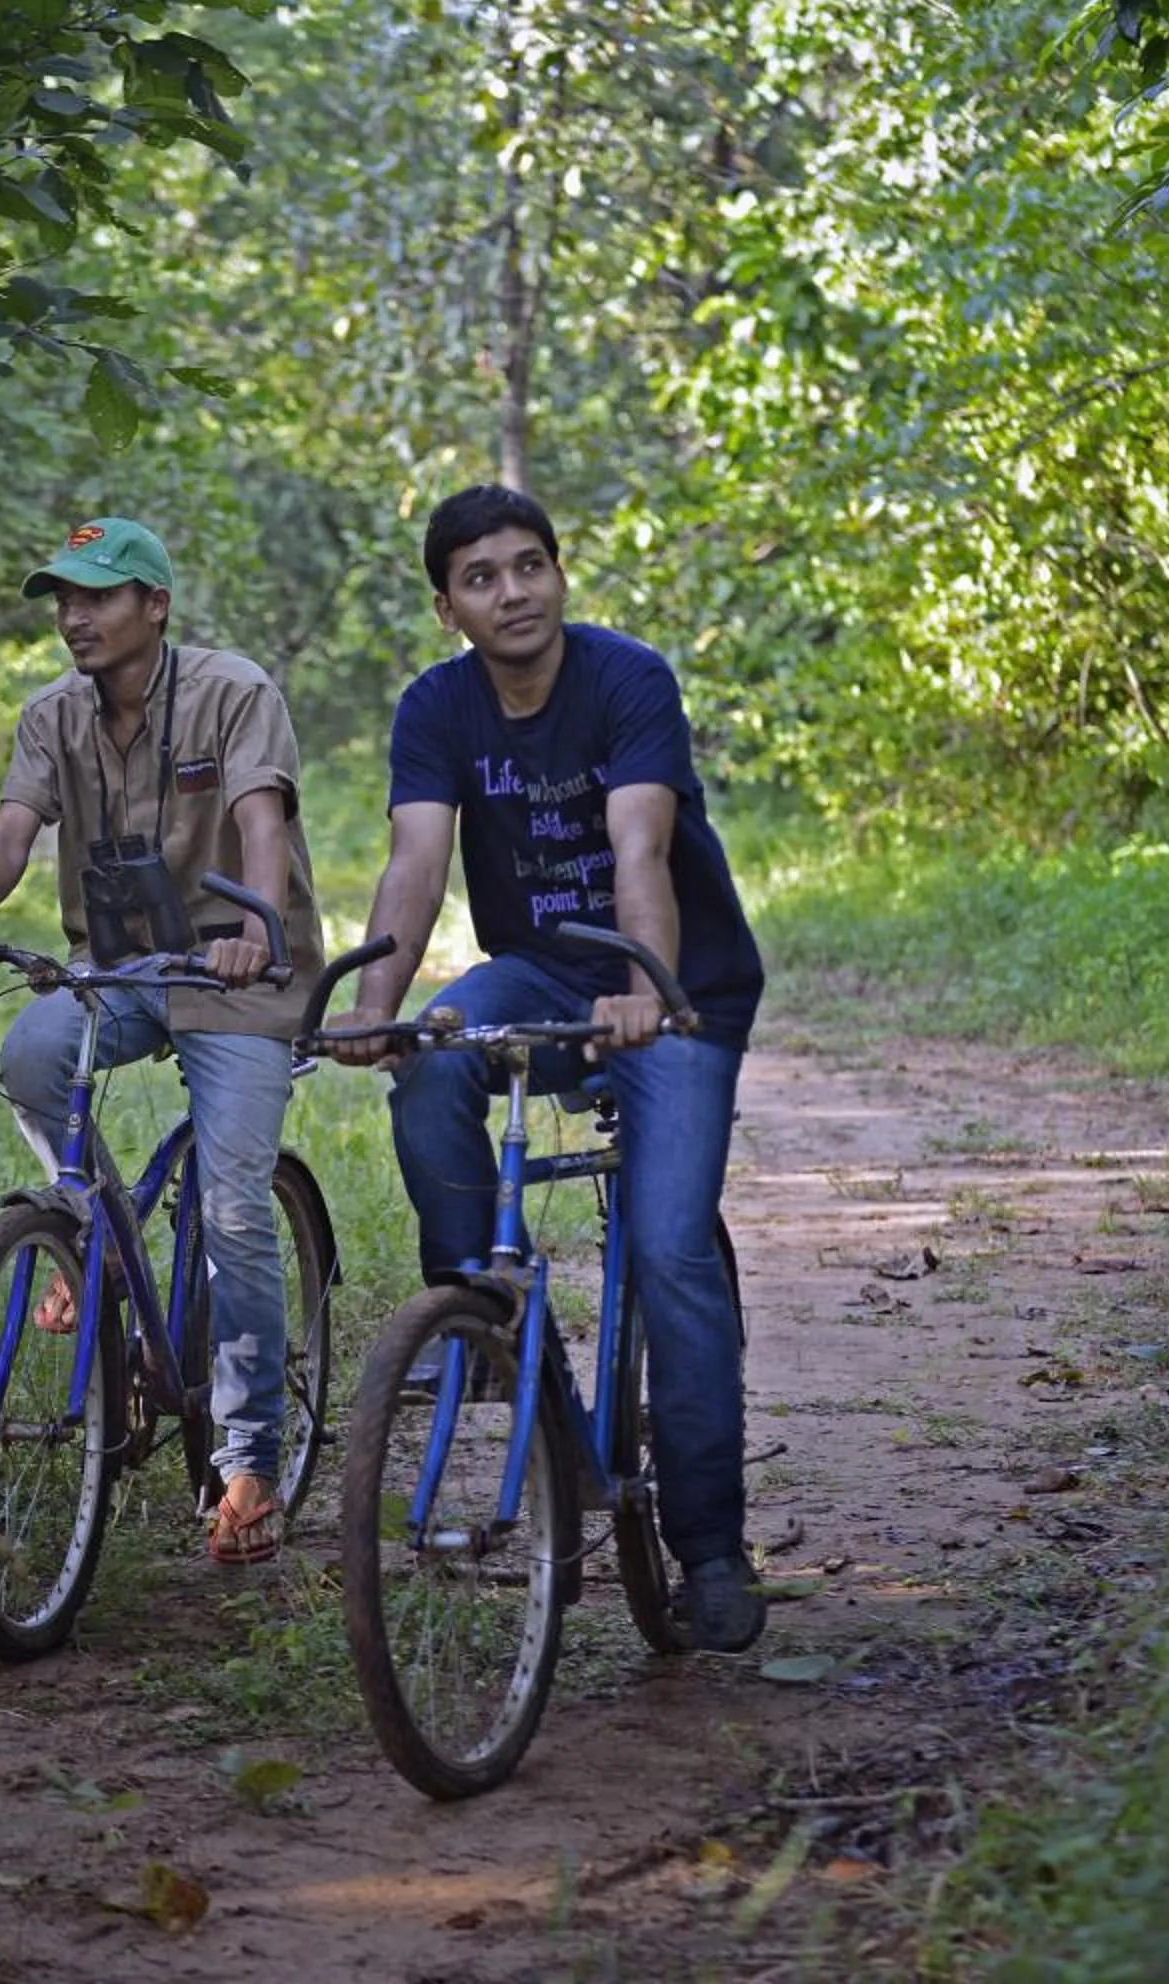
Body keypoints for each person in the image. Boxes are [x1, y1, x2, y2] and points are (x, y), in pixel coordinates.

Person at [324, 483, 769, 1650]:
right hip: (536, 971)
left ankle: (710, 1546)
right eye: (481, 577)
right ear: (447, 607)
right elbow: (417, 863)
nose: (512, 592)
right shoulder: (437, 706)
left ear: (560, 574)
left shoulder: (628, 679)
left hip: (678, 990)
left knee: (669, 1251)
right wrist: (374, 1009)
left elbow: (641, 846)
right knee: (433, 1061)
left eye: (531, 565)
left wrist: (644, 988)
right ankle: (479, 1309)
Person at [0, 516, 325, 1566]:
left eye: (96, 595)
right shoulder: (52, 714)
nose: (74, 616)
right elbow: (9, 836)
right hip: (121, 966)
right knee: (31, 1052)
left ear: (156, 605)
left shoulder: (235, 691)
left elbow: (262, 825)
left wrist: (255, 930)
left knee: (234, 1208)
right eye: (64, 598)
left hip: (239, 968)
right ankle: (97, 1239)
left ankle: (249, 1459)